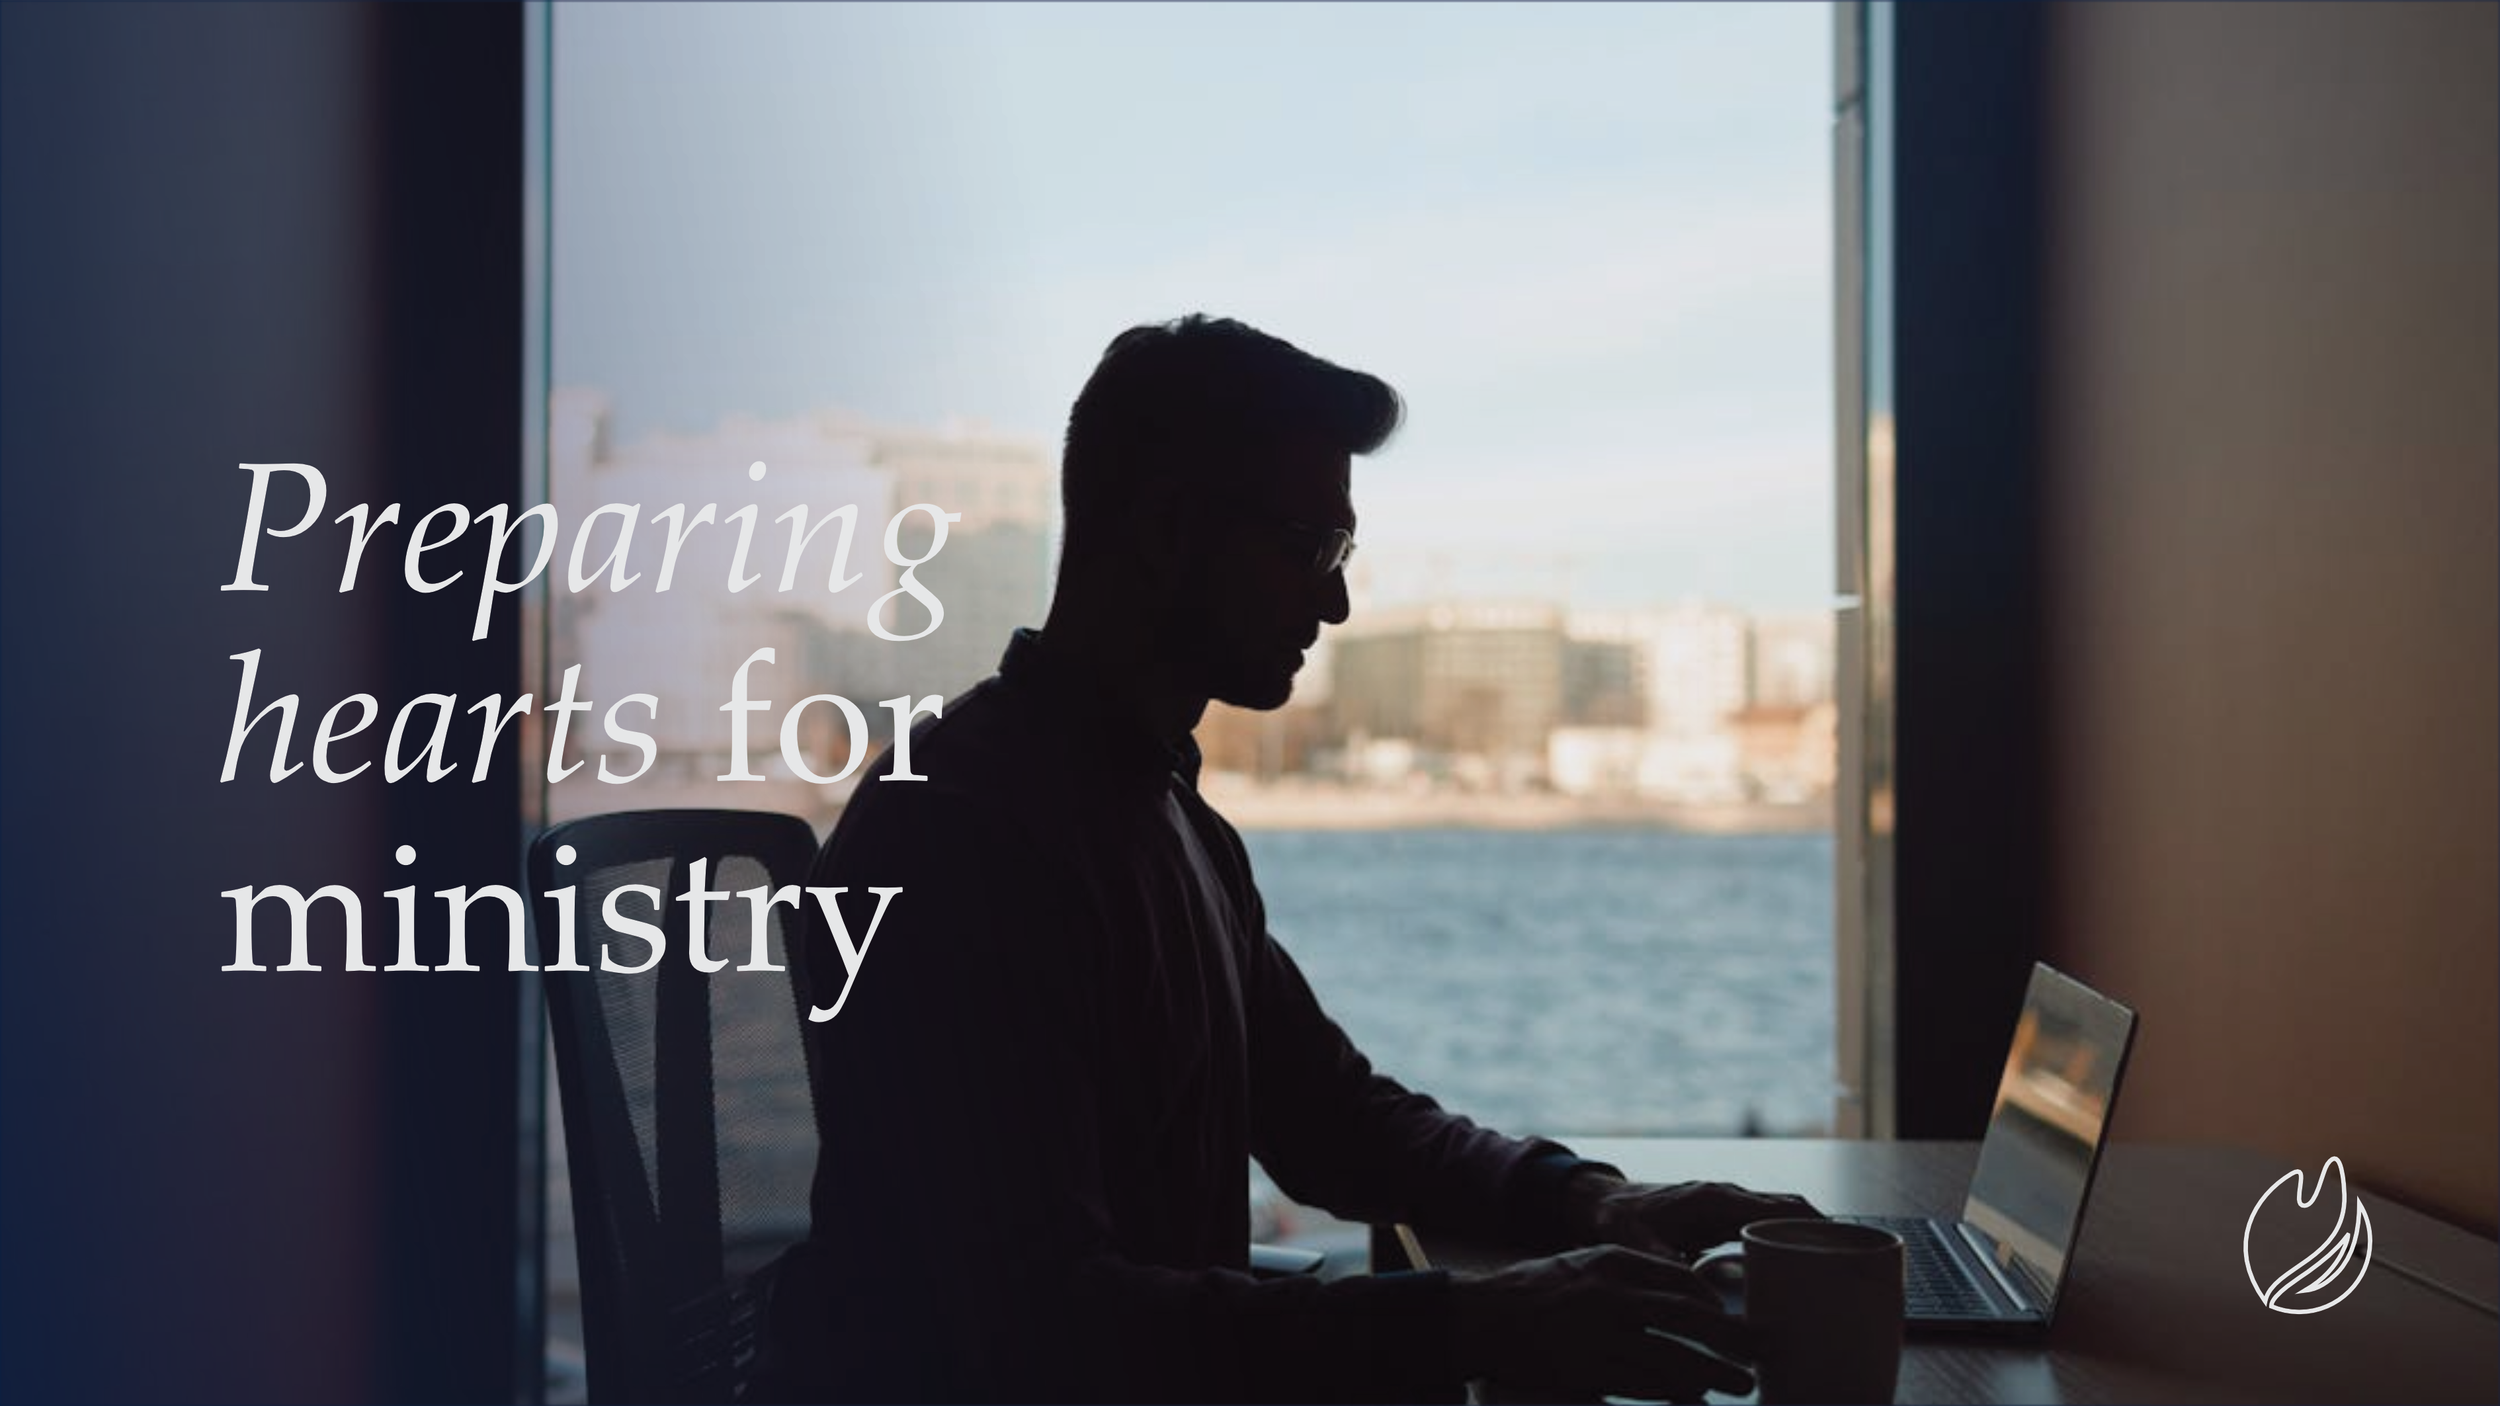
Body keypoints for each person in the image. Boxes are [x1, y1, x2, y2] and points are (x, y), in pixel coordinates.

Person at [759, 315, 1818, 1403]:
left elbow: (1332, 1119)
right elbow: (1034, 1325)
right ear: (1168, 528)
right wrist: (1474, 1319)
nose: (1335, 600)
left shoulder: (1157, 810)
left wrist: (1587, 1199)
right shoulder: (963, 831)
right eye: (1309, 545)